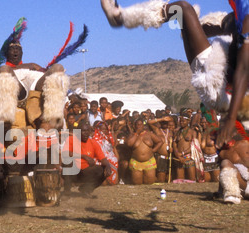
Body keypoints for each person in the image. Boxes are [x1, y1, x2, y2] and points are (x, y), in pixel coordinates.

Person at [100, 0, 249, 149]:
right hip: (217, 70)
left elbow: (243, 70)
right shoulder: (234, 18)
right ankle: (120, 17)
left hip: (221, 87)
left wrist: (231, 118)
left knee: (183, 9)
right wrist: (192, 26)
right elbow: (208, 29)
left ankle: (121, 18)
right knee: (183, 11)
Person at [0, 18, 70, 130]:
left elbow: (48, 78)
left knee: (58, 68)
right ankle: (7, 117)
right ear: (7, 53)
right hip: (19, 95)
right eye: (13, 49)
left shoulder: (32, 65)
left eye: (18, 49)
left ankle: (52, 116)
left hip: (34, 90)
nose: (16, 51)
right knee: (5, 70)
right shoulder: (1, 70)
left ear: (22, 52)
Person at [62, 122, 112, 197]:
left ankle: (86, 190)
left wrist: (108, 166)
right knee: (68, 162)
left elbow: (103, 158)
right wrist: (84, 156)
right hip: (73, 171)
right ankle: (67, 192)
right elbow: (65, 153)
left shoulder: (93, 142)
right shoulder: (71, 139)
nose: (86, 133)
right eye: (83, 131)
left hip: (86, 171)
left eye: (88, 131)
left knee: (103, 170)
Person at [126, 117, 163, 185]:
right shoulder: (132, 135)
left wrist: (154, 150)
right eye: (137, 124)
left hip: (149, 161)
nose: (139, 126)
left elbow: (160, 141)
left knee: (149, 183)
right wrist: (136, 133)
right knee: (137, 184)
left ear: (143, 126)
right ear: (134, 126)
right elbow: (129, 144)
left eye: (140, 124)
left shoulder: (149, 134)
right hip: (136, 162)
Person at [148, 115, 175, 182]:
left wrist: (173, 149)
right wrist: (162, 118)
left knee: (169, 178)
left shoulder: (171, 132)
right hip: (161, 158)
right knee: (161, 179)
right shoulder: (158, 131)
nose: (164, 124)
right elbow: (149, 122)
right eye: (163, 122)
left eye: (166, 122)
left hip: (170, 157)